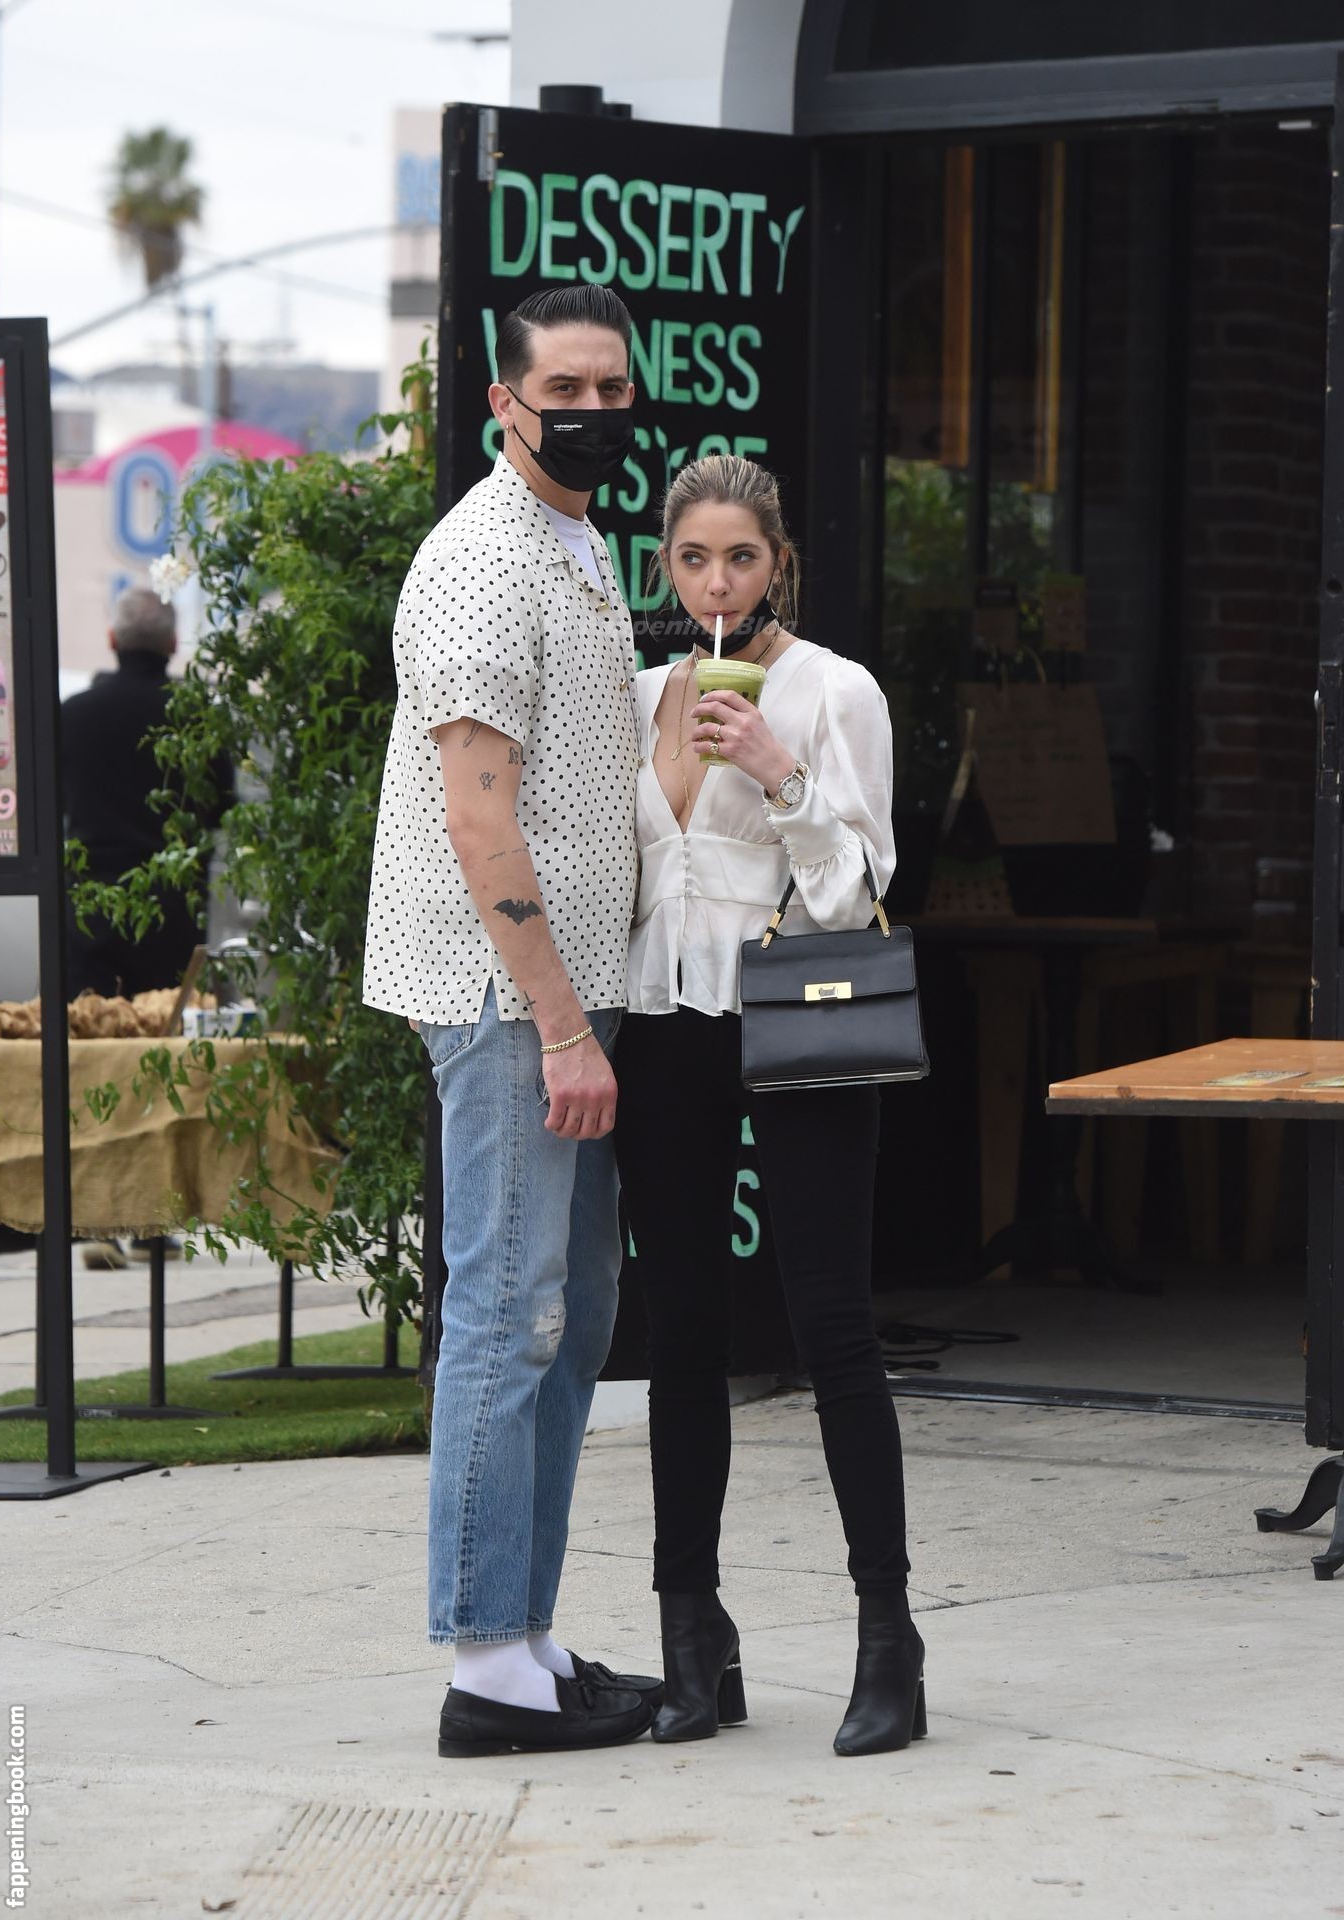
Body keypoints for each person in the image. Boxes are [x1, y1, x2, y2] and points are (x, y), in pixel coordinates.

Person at [363, 282, 662, 1758]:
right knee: (510, 1311)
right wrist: (557, 1026)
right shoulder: (482, 558)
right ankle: (486, 1669)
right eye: (566, 392)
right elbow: (477, 819)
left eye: (613, 390)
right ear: (505, 403)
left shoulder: (574, 542)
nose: (594, 414)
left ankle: (529, 1638)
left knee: (575, 1312)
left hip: (564, 995)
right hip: (504, 999)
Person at [615, 454, 924, 1757]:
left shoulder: (833, 690)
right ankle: (691, 1636)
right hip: (662, 1029)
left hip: (796, 1014)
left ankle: (887, 1639)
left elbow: (854, 893)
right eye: (693, 559)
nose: (716, 584)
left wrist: (779, 773)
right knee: (679, 1332)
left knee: (829, 1324)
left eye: (739, 558)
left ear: (777, 563)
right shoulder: (640, 695)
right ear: (667, 566)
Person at [61, 585, 230, 1272]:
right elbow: (221, 806)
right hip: (170, 909)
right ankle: (156, 1224)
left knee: (90, 1057)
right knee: (162, 1061)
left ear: (111, 641)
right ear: (172, 644)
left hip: (89, 907)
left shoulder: (73, 717)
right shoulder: (196, 717)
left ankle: (95, 1216)